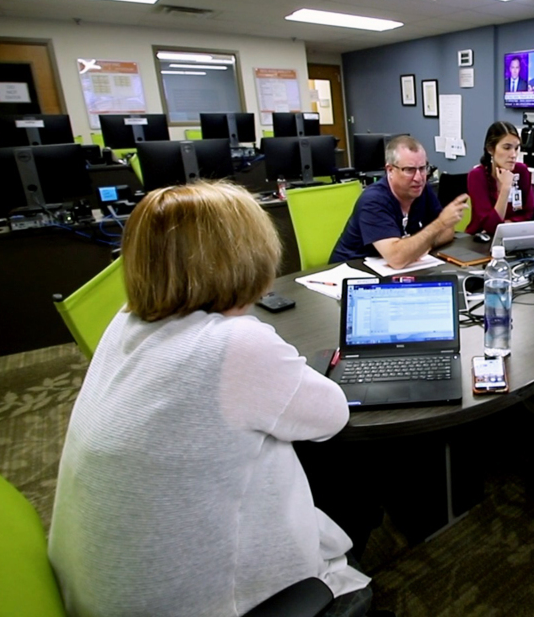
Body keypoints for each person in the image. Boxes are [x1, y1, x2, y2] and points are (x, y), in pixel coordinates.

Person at [48, 181, 374, 617]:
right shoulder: (234, 344)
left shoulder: (124, 322)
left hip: (104, 586)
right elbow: (332, 415)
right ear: (246, 254)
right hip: (192, 601)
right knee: (343, 468)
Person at [330, 135, 467, 268]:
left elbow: (448, 231)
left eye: (423, 168)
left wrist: (423, 245)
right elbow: (397, 259)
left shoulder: (421, 190)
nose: (419, 178)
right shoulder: (373, 200)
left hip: (392, 271)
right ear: (390, 170)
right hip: (352, 273)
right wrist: (439, 224)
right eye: (409, 170)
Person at [466, 121, 534, 235]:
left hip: (514, 234)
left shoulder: (522, 171)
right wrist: (505, 188)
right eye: (507, 148)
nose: (513, 154)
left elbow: (530, 213)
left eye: (516, 148)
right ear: (490, 149)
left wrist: (510, 223)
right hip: (480, 241)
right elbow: (490, 227)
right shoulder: (477, 176)